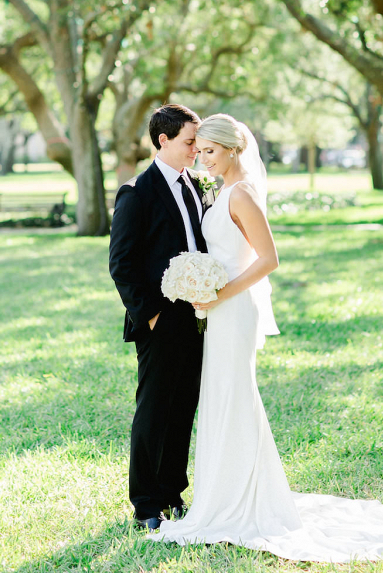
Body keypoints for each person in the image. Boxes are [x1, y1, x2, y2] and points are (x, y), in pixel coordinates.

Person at [152, 113, 383, 562]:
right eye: (199, 149)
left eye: (209, 150)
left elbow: (269, 259)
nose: (201, 158)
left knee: (233, 396)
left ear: (232, 149)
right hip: (220, 308)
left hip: (234, 308)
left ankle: (242, 502)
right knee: (222, 397)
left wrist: (217, 293)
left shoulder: (241, 192)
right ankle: (228, 493)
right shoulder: (222, 188)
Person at [109, 104, 215, 532]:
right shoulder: (137, 192)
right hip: (160, 320)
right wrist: (151, 315)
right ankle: (146, 503)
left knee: (183, 408)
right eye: (190, 142)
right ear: (163, 141)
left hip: (200, 317)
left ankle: (173, 493)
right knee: (154, 410)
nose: (197, 150)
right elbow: (122, 264)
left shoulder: (199, 185)